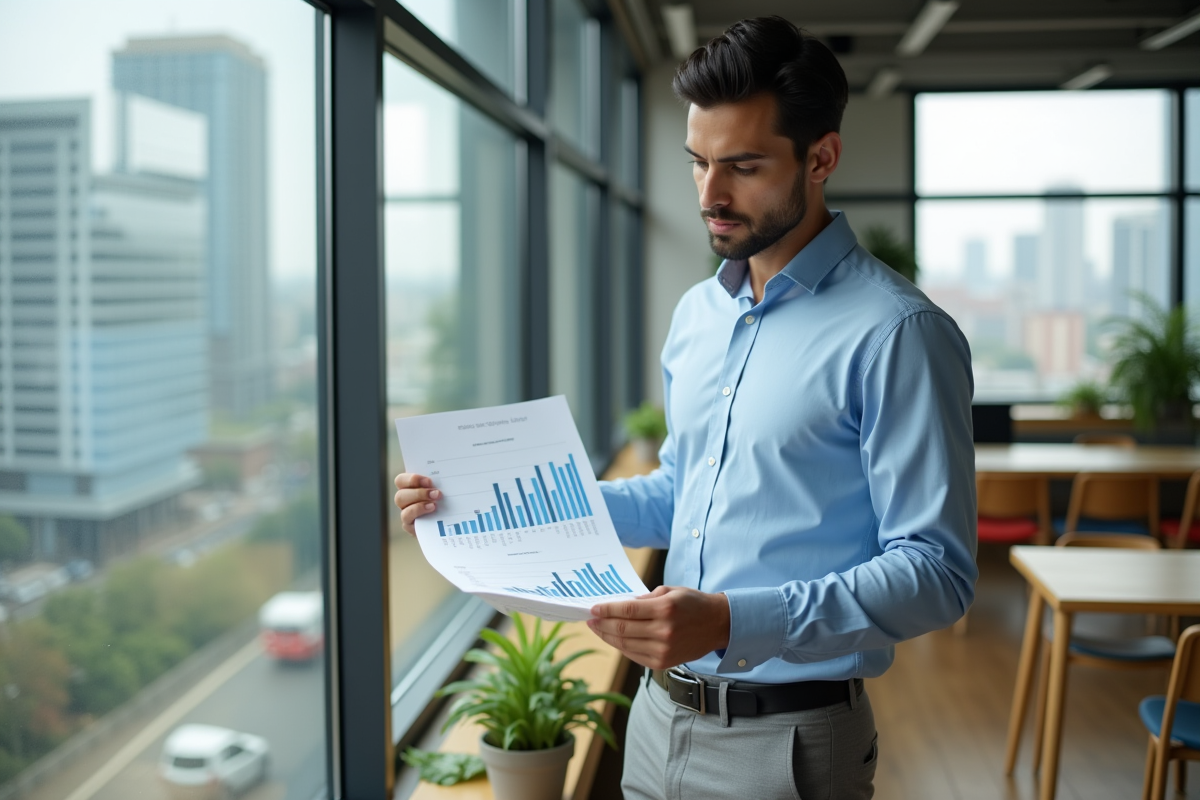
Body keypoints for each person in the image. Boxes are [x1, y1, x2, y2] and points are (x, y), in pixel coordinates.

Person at [394, 15, 977, 800]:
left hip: (790, 743)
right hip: (657, 718)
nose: (710, 194)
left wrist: (735, 620)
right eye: (698, 162)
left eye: (742, 165)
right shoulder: (700, 315)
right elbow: (681, 494)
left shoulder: (897, 333)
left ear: (821, 158)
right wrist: (496, 506)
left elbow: (937, 574)